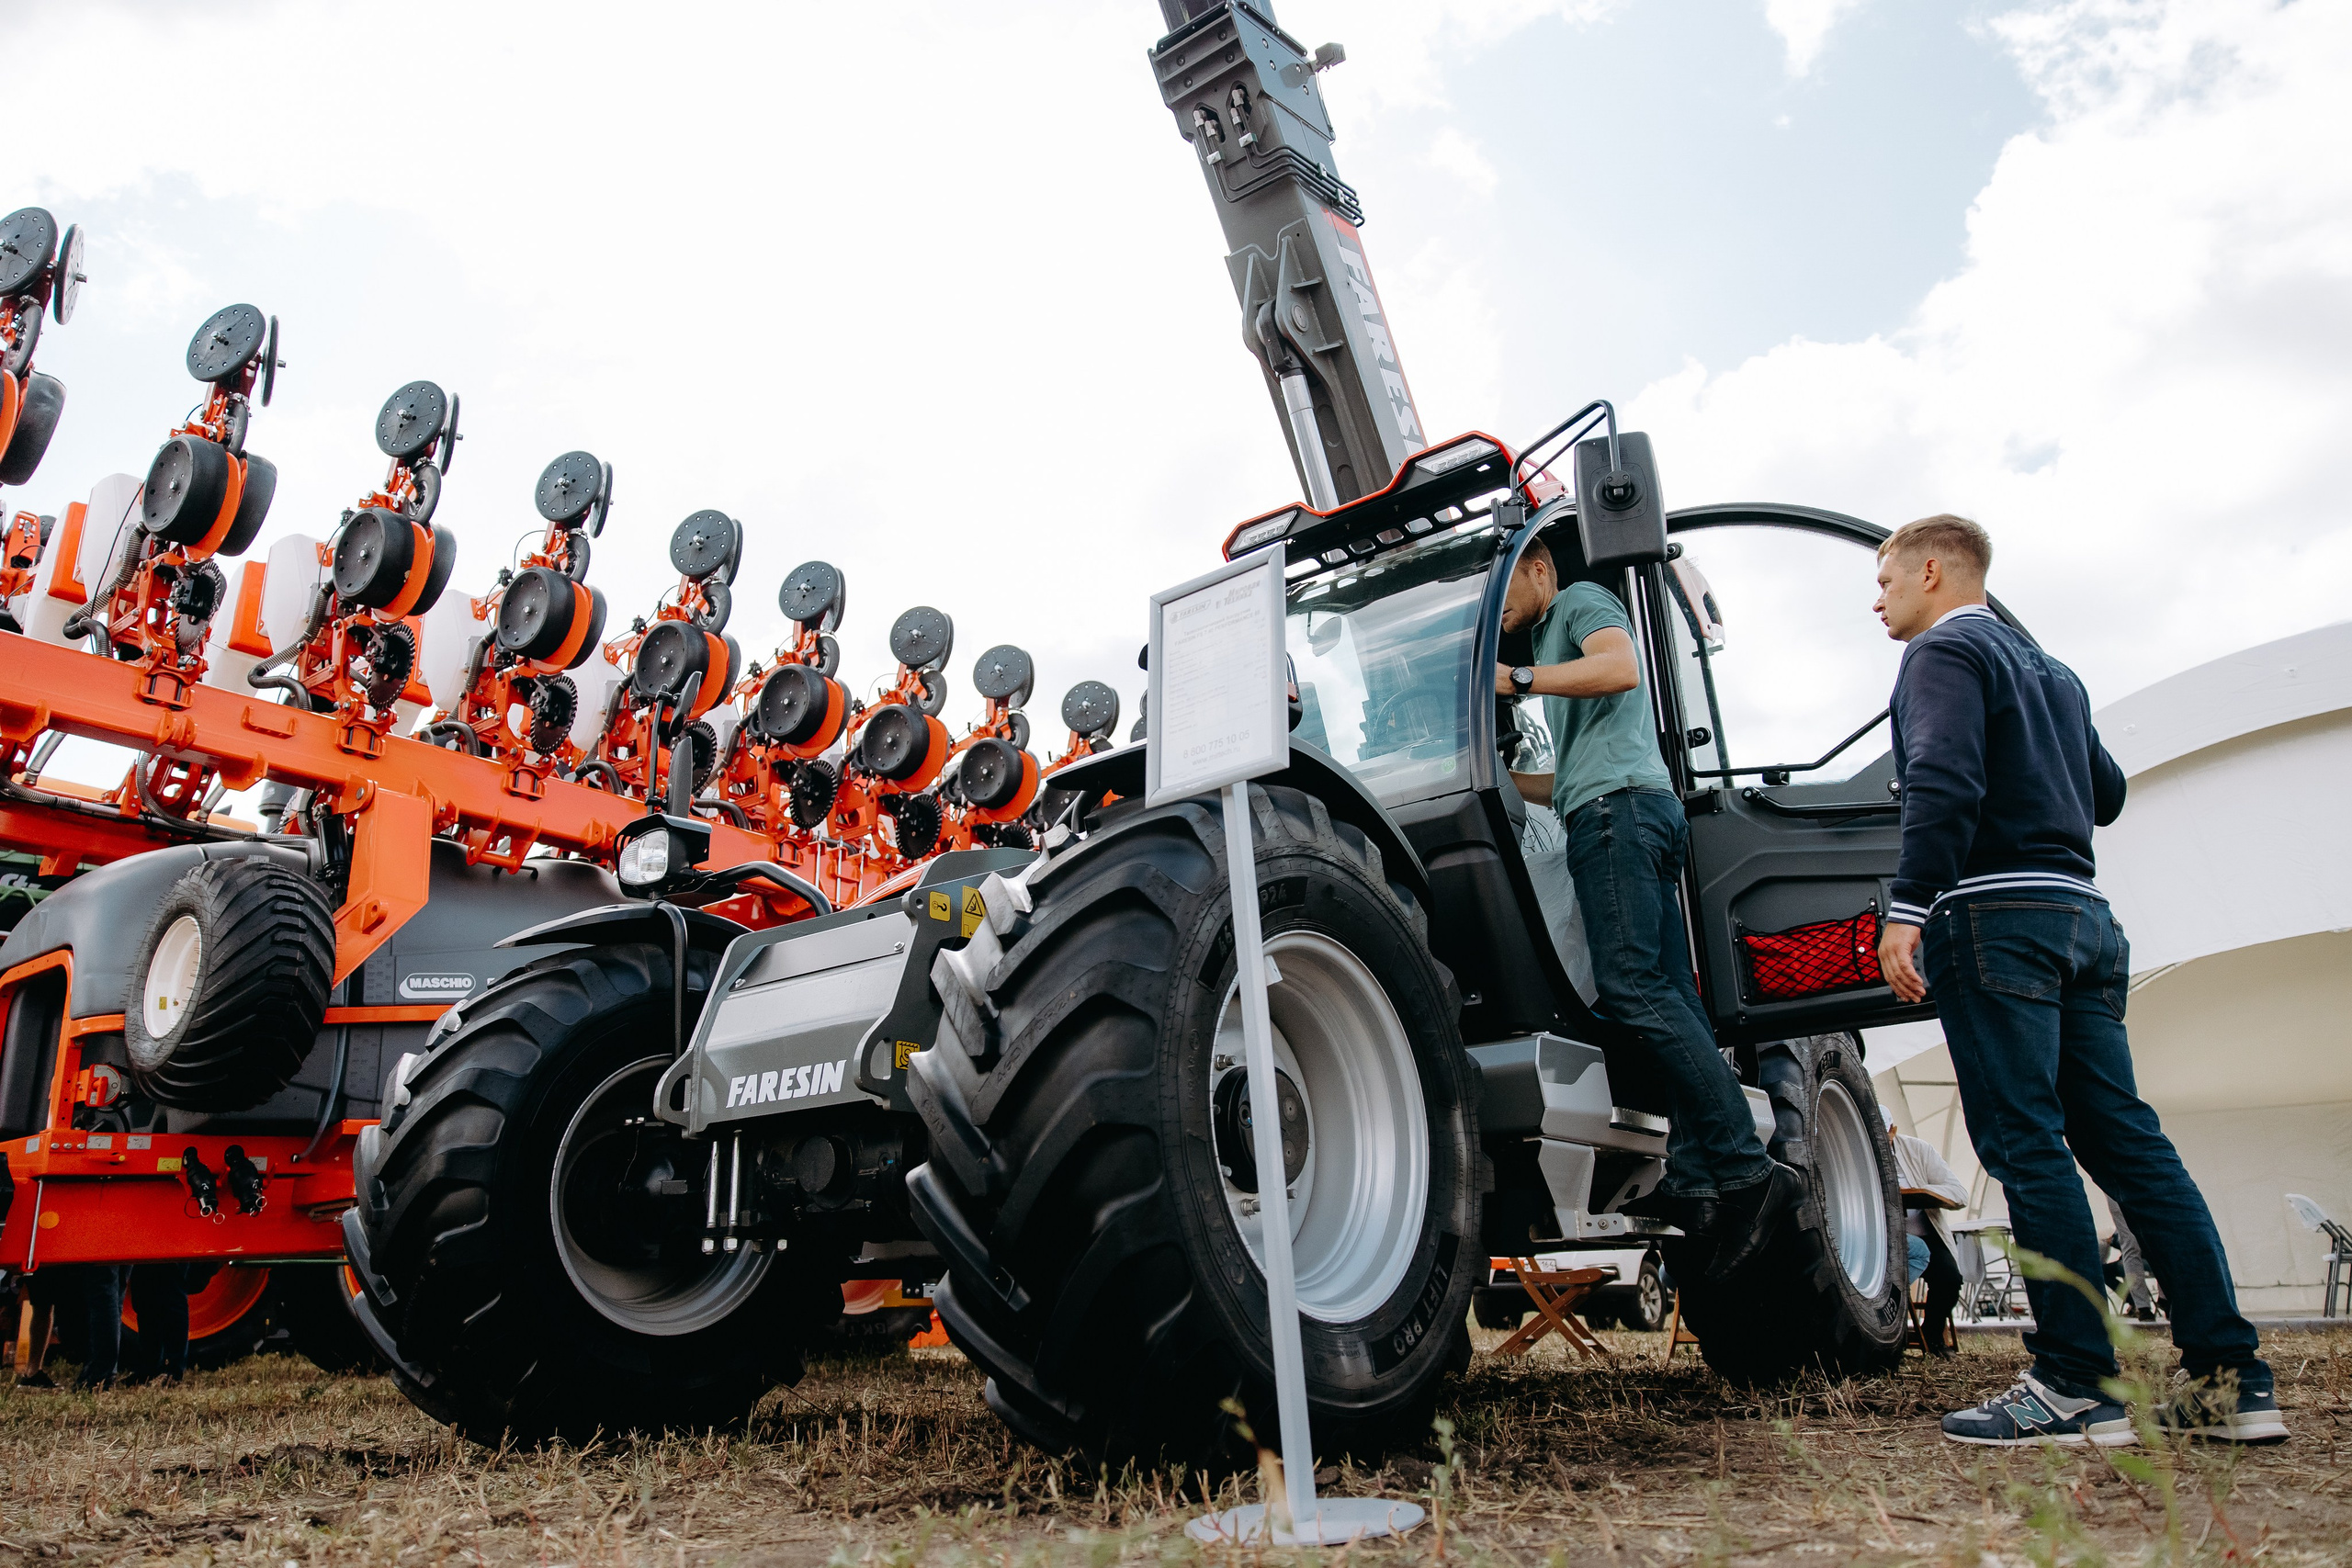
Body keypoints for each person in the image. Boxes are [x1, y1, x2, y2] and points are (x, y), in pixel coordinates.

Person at [1871, 513, 2282, 1447]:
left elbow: (1941, 778)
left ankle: (2075, 1383)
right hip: (2085, 921)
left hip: (1996, 916)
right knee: (2130, 1145)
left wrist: (1907, 905)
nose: (1878, 598)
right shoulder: (2051, 671)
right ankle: (2231, 1380)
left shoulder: (1941, 656)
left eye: (1887, 579)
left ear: (1932, 571)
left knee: (2025, 1141)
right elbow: (2106, 793)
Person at [1497, 536, 1799, 1280]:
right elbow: (1563, 778)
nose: (1502, 615)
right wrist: (1509, 780)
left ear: (1539, 567)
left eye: (1505, 593)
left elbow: (1621, 666)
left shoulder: (1578, 603)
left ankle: (1749, 1170)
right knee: (1674, 998)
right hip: (1621, 806)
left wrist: (1521, 678)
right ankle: (1701, 1175)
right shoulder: (1549, 641)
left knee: (1630, 985)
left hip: (1616, 816)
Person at [1888, 1113, 1967, 1355]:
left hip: (1925, 1234)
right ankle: (1892, 1333)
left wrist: (1919, 1191)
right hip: (1888, 1238)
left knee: (1949, 1279)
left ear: (1893, 1129)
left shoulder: (1918, 1150)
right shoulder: (1856, 1150)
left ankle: (1932, 1336)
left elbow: (1958, 1193)